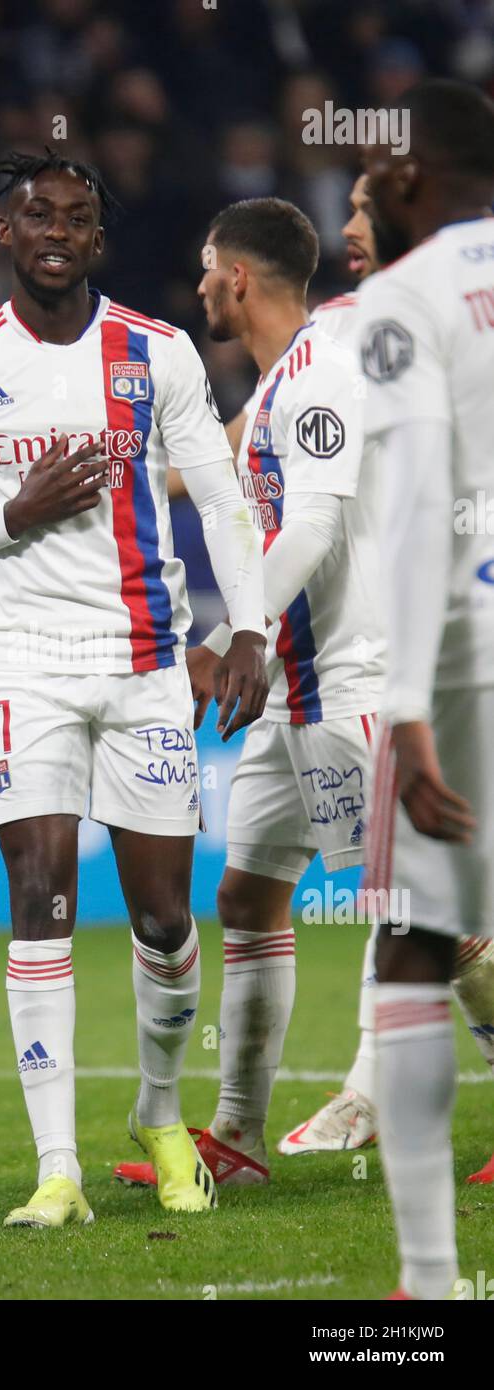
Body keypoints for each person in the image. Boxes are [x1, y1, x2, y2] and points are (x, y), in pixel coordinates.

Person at [0, 150, 268, 1227]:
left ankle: (158, 1110)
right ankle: (55, 1168)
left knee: (159, 916)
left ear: (95, 239)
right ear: (2, 233)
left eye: (75, 216)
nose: (55, 229)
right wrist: (7, 519)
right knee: (39, 892)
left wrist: (243, 629)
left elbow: (220, 497)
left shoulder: (153, 353)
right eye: (34, 214)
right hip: (22, 659)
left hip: (147, 661)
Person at [115, 195, 384, 1191]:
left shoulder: (321, 374)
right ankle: (235, 1140)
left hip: (346, 680)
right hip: (287, 692)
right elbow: (235, 446)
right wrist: (144, 477)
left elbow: (308, 527)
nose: (193, 289)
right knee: (244, 893)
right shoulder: (280, 384)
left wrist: (238, 632)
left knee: (420, 913)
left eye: (201, 270)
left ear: (235, 277)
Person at [356, 78, 494, 1299]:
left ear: (406, 180)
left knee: (413, 945)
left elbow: (408, 506)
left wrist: (401, 699)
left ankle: (430, 1282)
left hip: (468, 661)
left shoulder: (404, 297)